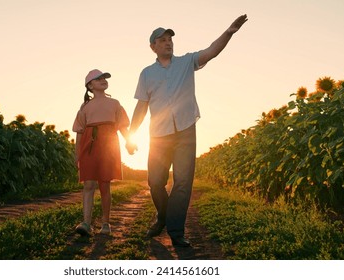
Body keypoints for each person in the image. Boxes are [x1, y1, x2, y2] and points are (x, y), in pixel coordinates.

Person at [128, 14, 248, 247]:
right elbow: (141, 107)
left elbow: (212, 51)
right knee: (155, 182)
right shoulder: (146, 74)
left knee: (182, 183)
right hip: (159, 135)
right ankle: (163, 216)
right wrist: (132, 135)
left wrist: (229, 32)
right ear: (153, 47)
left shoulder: (186, 62)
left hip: (185, 131)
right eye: (162, 40)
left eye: (170, 39)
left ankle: (175, 231)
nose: (168, 42)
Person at [73, 69, 135, 236]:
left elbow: (122, 126)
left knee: (105, 185)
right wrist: (77, 154)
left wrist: (129, 141)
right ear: (90, 85)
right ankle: (86, 223)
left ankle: (105, 224)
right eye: (98, 79)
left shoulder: (114, 103)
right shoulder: (85, 106)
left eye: (104, 78)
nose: (103, 80)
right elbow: (79, 131)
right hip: (89, 146)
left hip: (108, 145)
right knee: (88, 184)